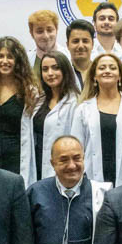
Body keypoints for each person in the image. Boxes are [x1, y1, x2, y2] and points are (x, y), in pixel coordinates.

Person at [71, 53, 122, 186]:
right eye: (102, 68)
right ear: (94, 76)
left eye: (112, 68)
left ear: (120, 76)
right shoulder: (83, 109)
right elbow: (76, 148)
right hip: (90, 179)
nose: (107, 71)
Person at [0, 36, 37, 185]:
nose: (4, 61)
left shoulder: (29, 92)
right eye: (0, 56)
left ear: (18, 61)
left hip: (16, 159)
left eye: (10, 57)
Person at [33, 51, 80, 182]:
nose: (50, 73)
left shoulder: (75, 102)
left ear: (65, 70)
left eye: (55, 68)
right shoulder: (39, 100)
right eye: (45, 69)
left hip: (62, 165)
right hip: (37, 162)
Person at [65, 19, 95, 88]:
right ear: (67, 45)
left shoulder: (100, 72)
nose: (81, 46)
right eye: (75, 41)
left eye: (85, 41)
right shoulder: (61, 73)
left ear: (92, 44)